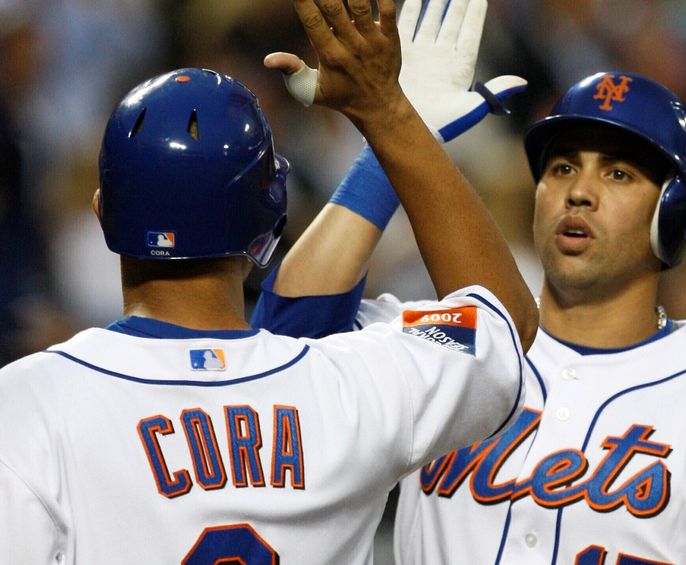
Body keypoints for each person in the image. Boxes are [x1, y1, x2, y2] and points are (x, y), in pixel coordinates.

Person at [0, 0, 540, 562]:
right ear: (268, 221)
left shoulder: (26, 404)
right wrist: (392, 120)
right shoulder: (351, 388)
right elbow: (504, 319)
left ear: (102, 211)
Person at [254, 55, 686, 565]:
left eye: (618, 173)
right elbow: (286, 342)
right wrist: (388, 150)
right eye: (562, 168)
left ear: (673, 214)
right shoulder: (442, 342)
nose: (579, 191)